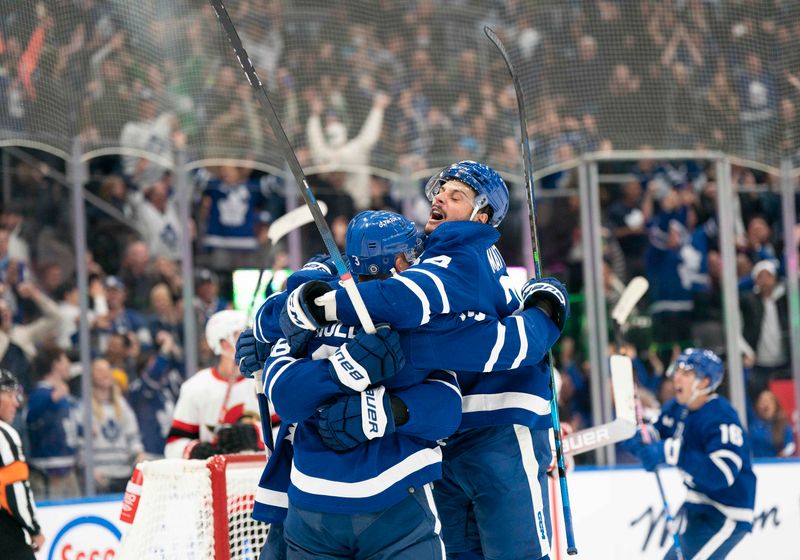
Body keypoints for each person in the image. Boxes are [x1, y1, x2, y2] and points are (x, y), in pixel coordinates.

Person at [249, 205, 567, 559]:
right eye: (409, 253)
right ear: (398, 263)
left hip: (312, 499)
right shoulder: (418, 321)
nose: (416, 259)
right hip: (395, 499)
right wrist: (547, 306)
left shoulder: (307, 316)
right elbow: (487, 363)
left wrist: (281, 322)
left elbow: (279, 368)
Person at [625, 348, 756, 560]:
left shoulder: (720, 415)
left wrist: (670, 452)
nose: (677, 377)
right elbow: (656, 433)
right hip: (697, 505)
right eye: (677, 371)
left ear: (704, 382)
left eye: (686, 373)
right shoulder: (677, 409)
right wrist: (639, 438)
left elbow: (722, 474)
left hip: (725, 513)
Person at [164, 309, 263, 459]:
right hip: (216, 478)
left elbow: (291, 432)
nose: (251, 340)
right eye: (241, 335)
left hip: (261, 475)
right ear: (224, 344)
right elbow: (173, 445)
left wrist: (256, 434)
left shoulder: (264, 379)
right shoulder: (196, 387)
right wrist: (195, 451)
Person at [0, 369, 45, 559]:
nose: (16, 403)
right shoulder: (4, 435)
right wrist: (34, 529)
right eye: (10, 394)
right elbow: (15, 489)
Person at [26, 347, 81, 499]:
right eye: (65, 360)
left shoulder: (65, 396)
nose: (68, 364)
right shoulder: (40, 394)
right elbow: (30, 417)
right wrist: (51, 399)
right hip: (47, 472)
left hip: (69, 468)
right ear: (55, 364)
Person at [89, 358, 145, 493]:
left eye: (108, 370)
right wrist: (90, 469)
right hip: (101, 477)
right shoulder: (85, 408)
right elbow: (80, 445)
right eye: (100, 371)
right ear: (91, 376)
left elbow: (133, 437)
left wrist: (139, 454)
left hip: (124, 474)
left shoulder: (122, 405)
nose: (105, 374)